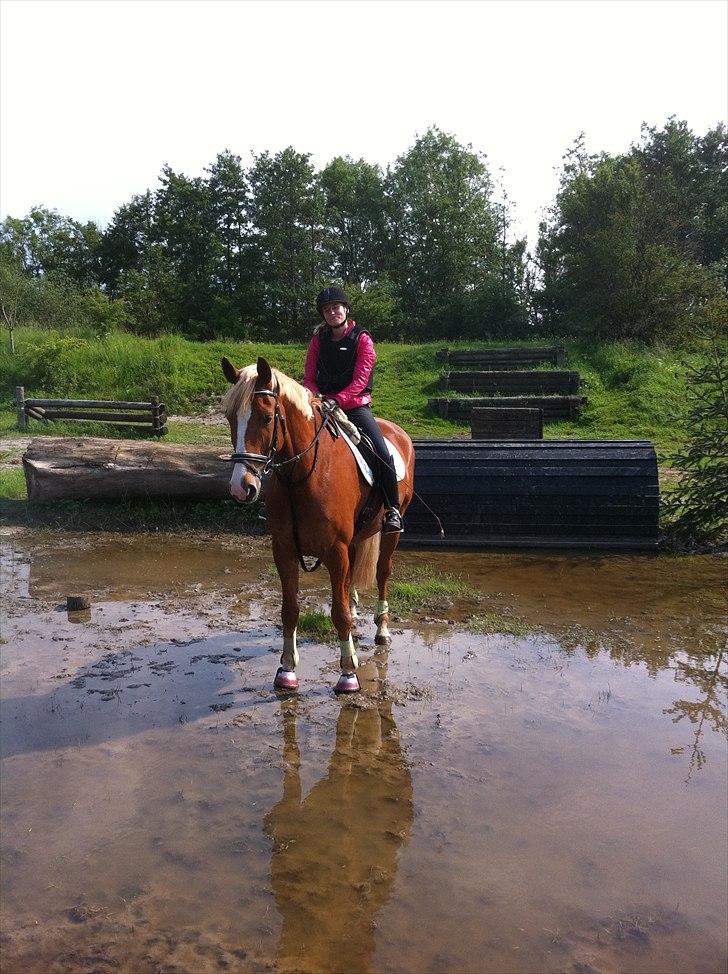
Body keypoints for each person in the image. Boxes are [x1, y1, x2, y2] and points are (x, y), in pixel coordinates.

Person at [303, 286, 403, 533]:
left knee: (380, 451)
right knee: (292, 440)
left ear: (346, 309)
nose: (332, 312)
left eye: (336, 307)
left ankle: (393, 510)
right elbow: (308, 375)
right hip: (321, 403)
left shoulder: (363, 339)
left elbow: (360, 380)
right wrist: (316, 396)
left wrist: (337, 400)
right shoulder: (318, 340)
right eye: (327, 310)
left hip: (354, 406)